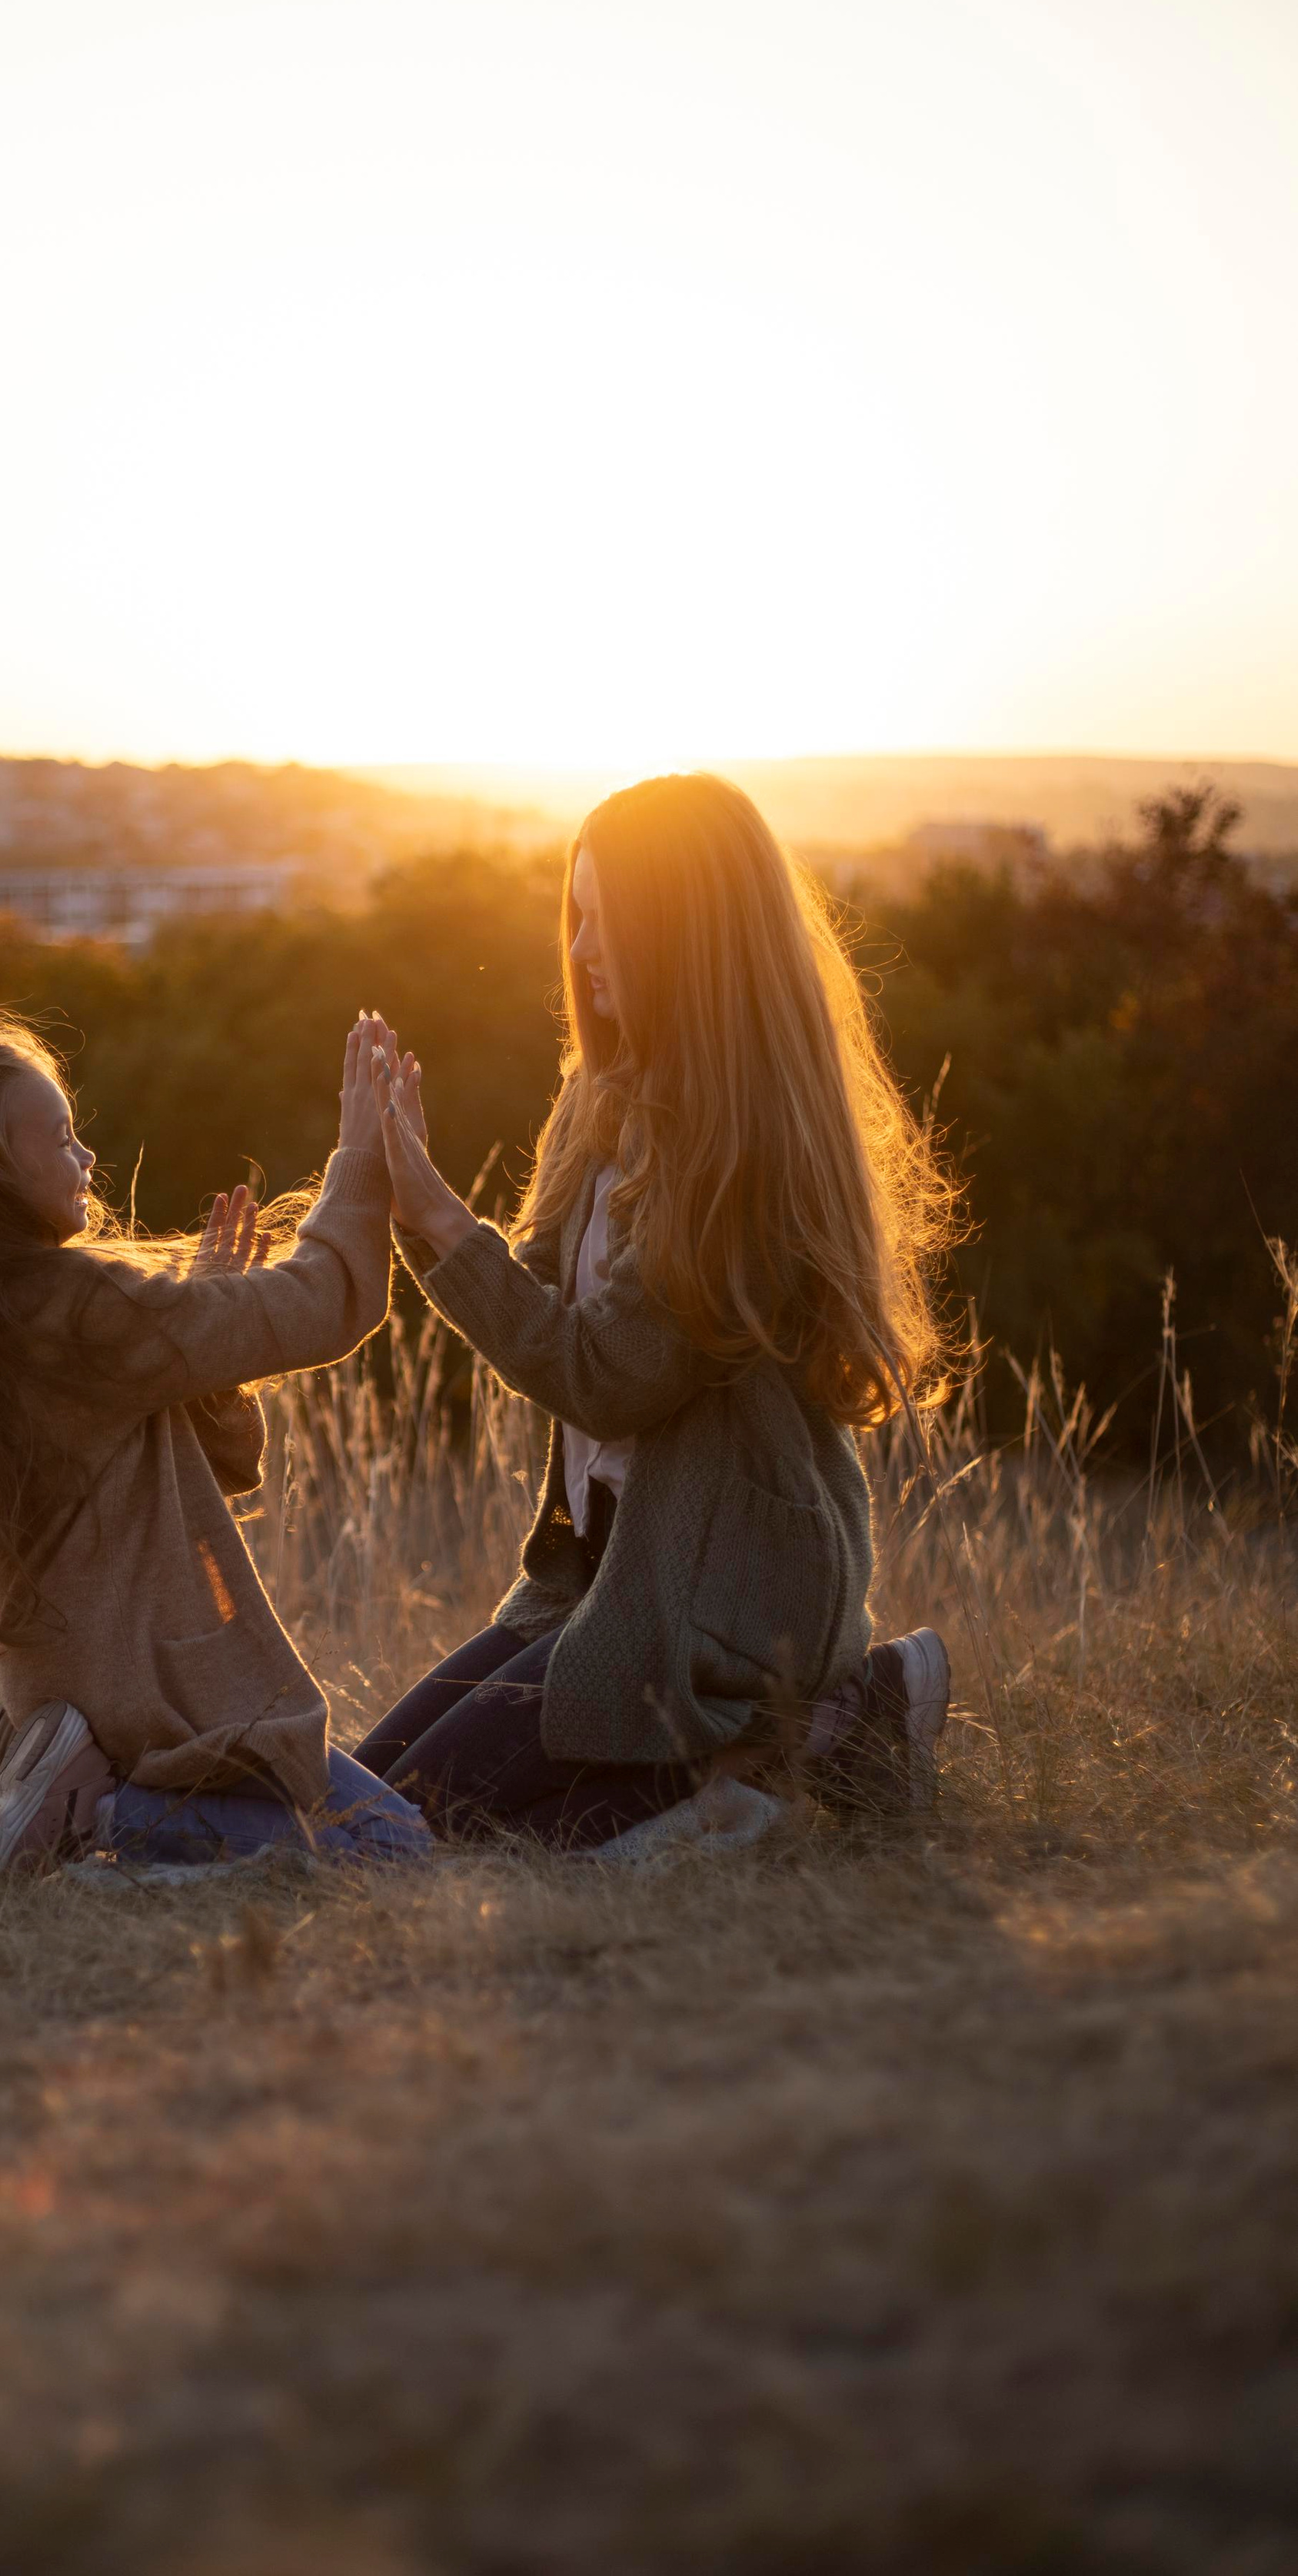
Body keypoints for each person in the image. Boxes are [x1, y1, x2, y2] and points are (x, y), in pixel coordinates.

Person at [354, 770, 957, 1854]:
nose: (582, 950)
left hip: (724, 1593)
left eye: (611, 922)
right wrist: (415, 1205)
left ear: (687, 937)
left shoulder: (734, 1140)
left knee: (417, 1830)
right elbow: (535, 1295)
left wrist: (439, 1217)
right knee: (368, 1791)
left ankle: (824, 1737)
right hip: (606, 1576)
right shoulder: (603, 1093)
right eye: (574, 915)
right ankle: (807, 1748)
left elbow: (605, 1374)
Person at [0, 1010, 431, 1880]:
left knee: (374, 1831)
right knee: (396, 1850)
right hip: (141, 1704)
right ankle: (92, 1817)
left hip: (68, 1697)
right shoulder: (75, 1306)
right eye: (62, 1137)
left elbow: (195, 1465)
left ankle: (54, 1802)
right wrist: (362, 1162)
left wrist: (193, 1349)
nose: (86, 1158)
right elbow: (320, 1306)